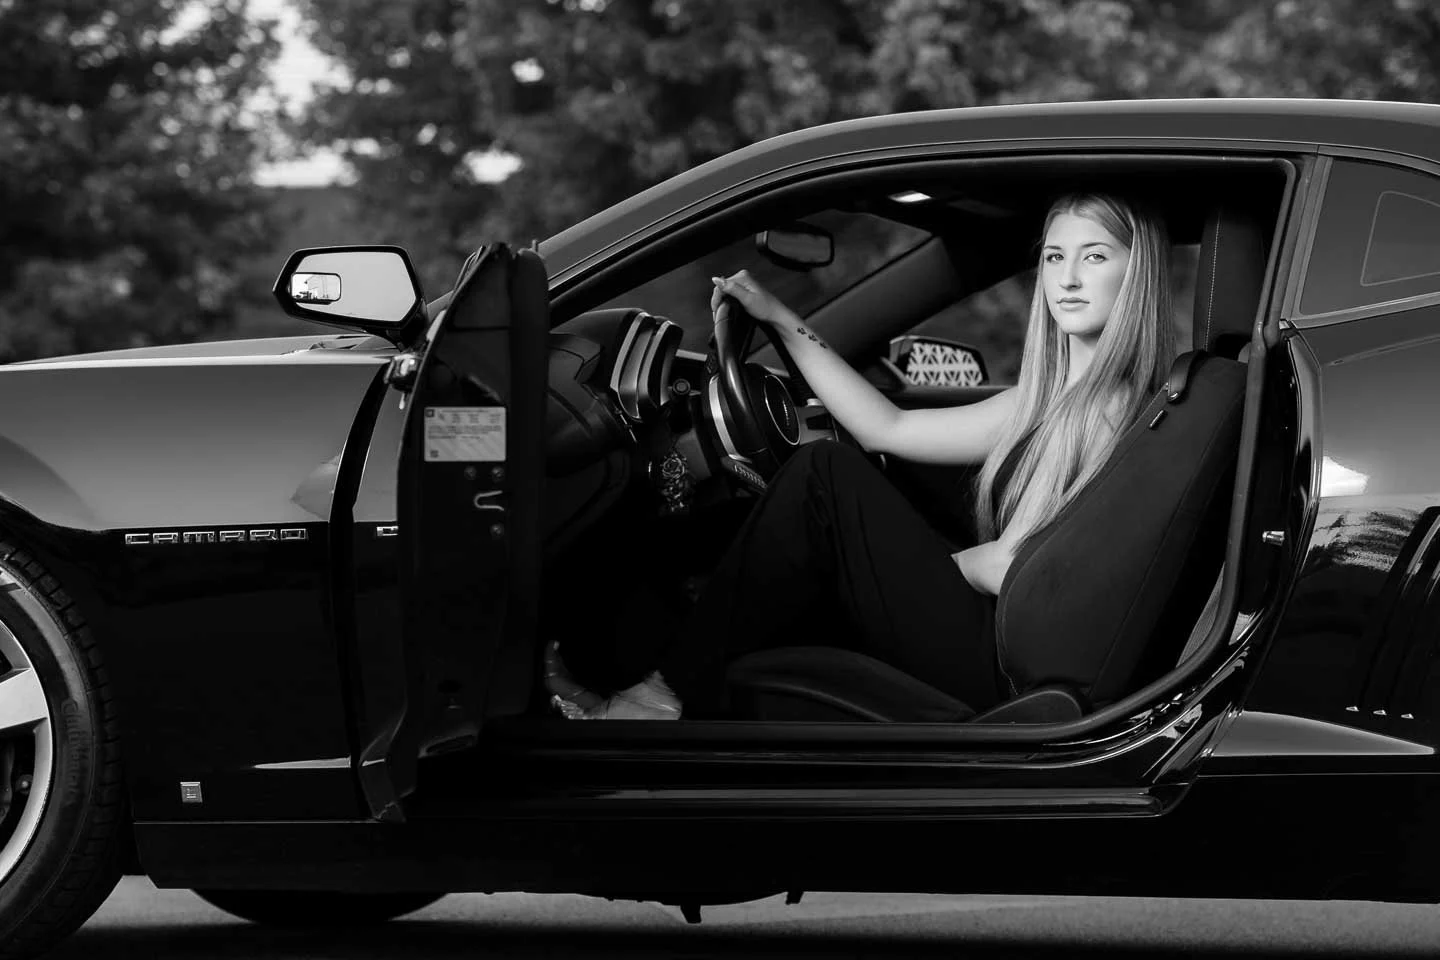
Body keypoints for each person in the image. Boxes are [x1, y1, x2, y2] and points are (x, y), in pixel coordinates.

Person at [545, 191, 1175, 720]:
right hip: (1001, 638)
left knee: (824, 475)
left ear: (1135, 272)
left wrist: (910, 564)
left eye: (1094, 256)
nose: (1066, 278)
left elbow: (1017, 570)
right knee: (788, 510)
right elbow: (888, 427)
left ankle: (662, 699)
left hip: (1006, 666)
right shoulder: (1053, 399)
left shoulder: (1109, 408)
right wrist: (777, 317)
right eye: (1053, 257)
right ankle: (611, 661)